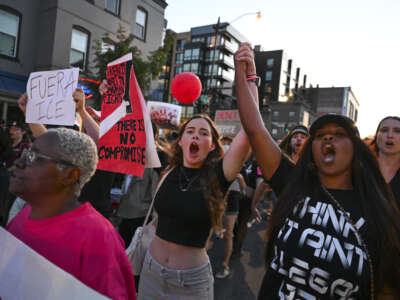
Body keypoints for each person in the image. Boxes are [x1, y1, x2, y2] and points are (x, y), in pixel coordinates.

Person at [234, 43, 400, 299]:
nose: (327, 140)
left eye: (338, 135)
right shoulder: (295, 184)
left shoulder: (378, 213)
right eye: (320, 135)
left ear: (356, 151)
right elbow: (255, 129)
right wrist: (245, 73)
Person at [138, 59, 255, 298]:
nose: (195, 136)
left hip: (190, 284)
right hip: (150, 273)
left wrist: (249, 79)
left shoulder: (219, 174)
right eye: (190, 131)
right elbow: (124, 137)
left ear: (212, 145)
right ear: (180, 141)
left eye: (204, 133)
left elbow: (250, 129)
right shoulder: (167, 167)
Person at [6, 128, 136, 299]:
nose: (19, 163)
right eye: (25, 153)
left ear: (69, 175)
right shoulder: (24, 215)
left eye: (34, 157)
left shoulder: (98, 237)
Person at [252, 125, 309, 222]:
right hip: (284, 214)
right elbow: (264, 184)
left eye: (303, 137)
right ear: (290, 142)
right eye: (295, 137)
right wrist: (254, 206)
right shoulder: (281, 163)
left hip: (307, 214)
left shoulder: (313, 163)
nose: (299, 139)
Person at [215, 136, 247, 279]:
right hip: (217, 204)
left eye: (229, 143)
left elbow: (244, 190)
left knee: (228, 235)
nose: (227, 145)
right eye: (225, 143)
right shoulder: (216, 166)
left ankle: (225, 265)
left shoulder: (240, 167)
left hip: (232, 204)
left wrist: (239, 178)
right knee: (212, 231)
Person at [370, 116, 400, 205]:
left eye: (397, 131)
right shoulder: (361, 167)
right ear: (376, 136)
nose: (390, 135)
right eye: (384, 130)